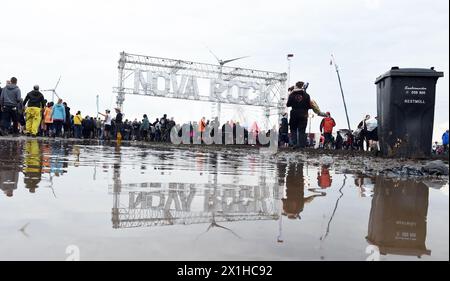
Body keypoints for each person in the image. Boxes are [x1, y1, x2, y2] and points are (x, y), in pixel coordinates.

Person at [287, 82, 326, 149]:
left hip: (294, 114)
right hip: (304, 114)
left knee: (293, 129)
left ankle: (295, 144)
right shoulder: (306, 95)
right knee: (302, 130)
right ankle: (302, 145)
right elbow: (309, 105)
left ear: (296, 86)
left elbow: (288, 104)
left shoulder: (292, 95)